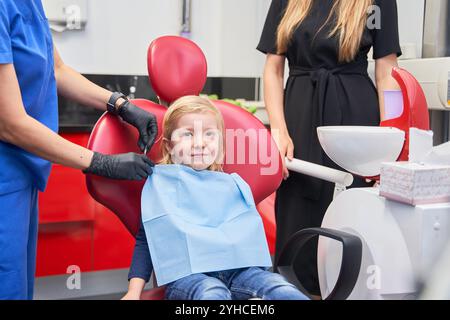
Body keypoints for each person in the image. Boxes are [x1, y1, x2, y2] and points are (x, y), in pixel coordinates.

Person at [0, 0, 157, 299]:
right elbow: (10, 124)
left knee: (18, 287)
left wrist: (119, 104)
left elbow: (56, 69)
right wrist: (101, 163)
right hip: (4, 177)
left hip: (20, 175)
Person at [257, 0, 402, 297]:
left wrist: (393, 137)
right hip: (299, 115)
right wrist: (278, 130)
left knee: (352, 211)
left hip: (356, 119)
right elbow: (273, 69)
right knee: (299, 209)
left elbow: (388, 73)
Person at [122, 95, 308, 300]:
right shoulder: (160, 187)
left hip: (241, 272)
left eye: (209, 134)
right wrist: (133, 292)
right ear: (168, 146)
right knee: (212, 292)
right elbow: (146, 241)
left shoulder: (233, 185)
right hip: (190, 277)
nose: (200, 143)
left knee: (281, 289)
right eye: (188, 134)